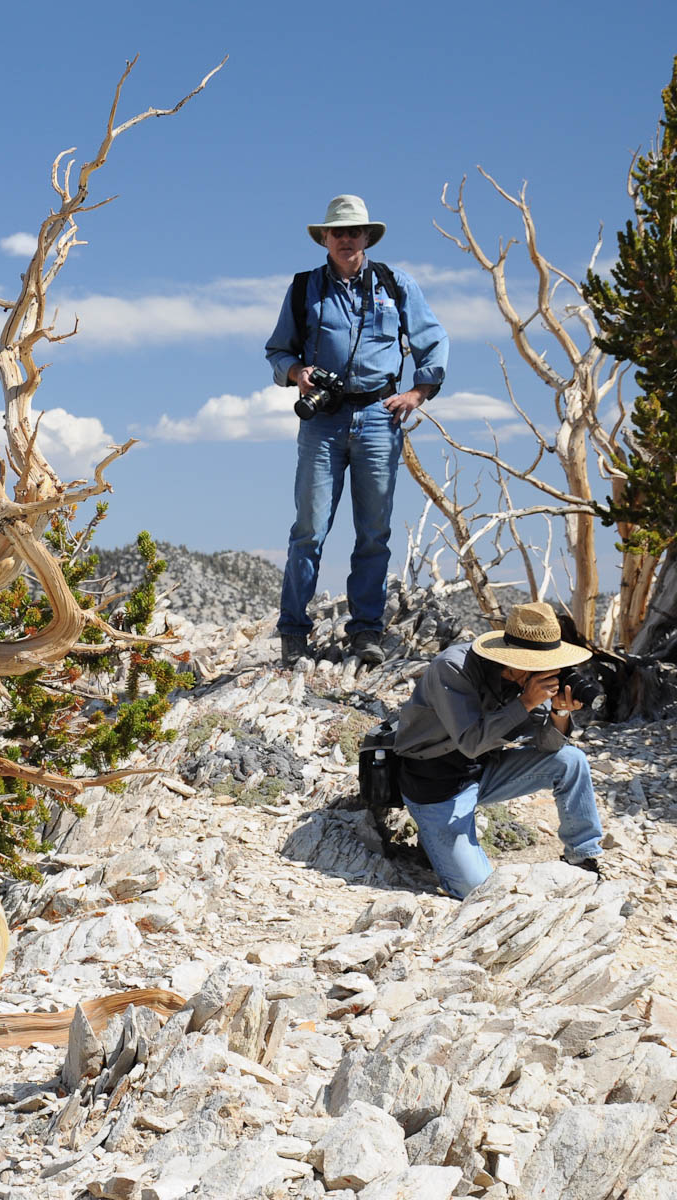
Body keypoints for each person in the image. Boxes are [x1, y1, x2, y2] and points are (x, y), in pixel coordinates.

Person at [265, 195, 449, 666]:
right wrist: (296, 375)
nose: (346, 239)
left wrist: (418, 393)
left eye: (354, 231)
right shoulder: (304, 287)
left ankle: (366, 631)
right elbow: (278, 351)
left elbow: (432, 338)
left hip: (378, 419)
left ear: (367, 236)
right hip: (323, 421)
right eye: (337, 232)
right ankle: (293, 631)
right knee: (308, 529)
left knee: (373, 532)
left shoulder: (395, 283)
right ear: (324, 238)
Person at [394, 601, 605, 899]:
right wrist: (525, 703)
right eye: (542, 663)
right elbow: (470, 741)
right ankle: (436, 842)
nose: (551, 671)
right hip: (435, 786)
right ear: (516, 660)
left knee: (571, 761)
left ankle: (582, 858)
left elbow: (547, 746)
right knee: (477, 890)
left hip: (484, 770)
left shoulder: (531, 679)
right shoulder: (453, 668)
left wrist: (559, 712)